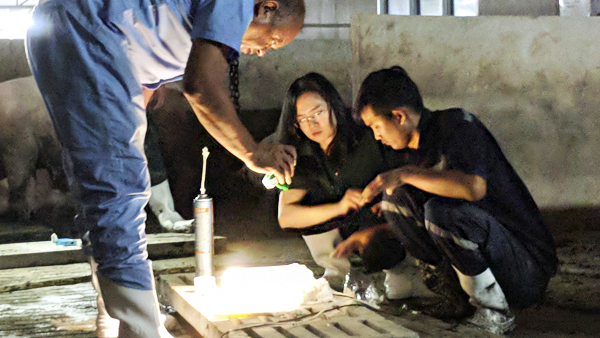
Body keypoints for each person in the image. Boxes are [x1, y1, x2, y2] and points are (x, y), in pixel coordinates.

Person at [25, 0, 305, 337]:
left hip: (67, 31)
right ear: (266, 8)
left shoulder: (192, 31)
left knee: (104, 188)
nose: (263, 53)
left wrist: (122, 137)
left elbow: (145, 75)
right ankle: (142, 328)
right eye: (273, 41)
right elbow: (200, 86)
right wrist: (252, 152)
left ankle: (114, 319)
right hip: (86, 32)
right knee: (118, 189)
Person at [335, 66, 558, 335]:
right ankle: (454, 296)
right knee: (394, 199)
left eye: (376, 126)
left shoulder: (458, 126)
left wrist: (404, 174)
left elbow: (473, 189)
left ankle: (494, 312)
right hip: (493, 259)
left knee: (441, 210)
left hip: (525, 270)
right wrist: (375, 231)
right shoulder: (414, 151)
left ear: (399, 117)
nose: (377, 135)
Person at [269, 72, 412, 295]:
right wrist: (339, 206)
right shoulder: (302, 155)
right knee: (308, 212)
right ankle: (339, 274)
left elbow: (407, 176)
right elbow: (286, 217)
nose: (313, 124)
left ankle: (398, 275)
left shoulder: (367, 136)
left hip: (380, 230)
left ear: (332, 106)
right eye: (303, 119)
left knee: (398, 288)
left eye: (318, 113)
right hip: (338, 242)